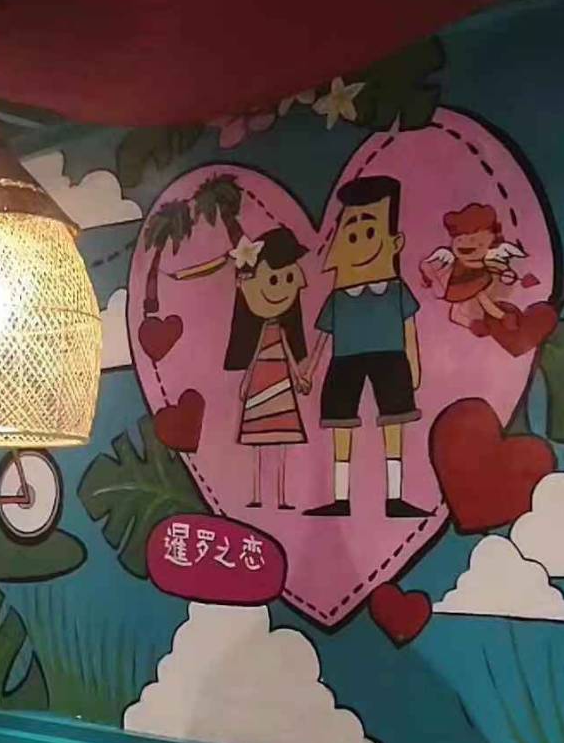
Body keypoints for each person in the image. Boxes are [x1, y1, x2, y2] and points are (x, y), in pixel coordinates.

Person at [304, 176, 429, 518]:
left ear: (395, 242)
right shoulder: (339, 297)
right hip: (344, 360)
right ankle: (340, 498)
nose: (358, 244)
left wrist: (414, 364)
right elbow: (322, 338)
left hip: (391, 357)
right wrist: (309, 370)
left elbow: (409, 328)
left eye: (370, 232)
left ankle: (395, 497)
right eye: (351, 235)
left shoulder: (395, 291)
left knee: (394, 421)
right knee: (340, 423)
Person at [201, 226, 314, 508]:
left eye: (288, 278)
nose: (282, 287)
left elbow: (289, 353)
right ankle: (257, 495)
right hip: (261, 386)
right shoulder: (260, 330)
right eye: (273, 279)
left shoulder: (282, 329)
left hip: (282, 388)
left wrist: (299, 377)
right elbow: (253, 356)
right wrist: (246, 380)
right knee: (257, 444)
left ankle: (282, 496)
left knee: (282, 443)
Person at [421, 202, 534, 334]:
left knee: (476, 300)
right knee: (465, 301)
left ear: (491, 240)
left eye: (475, 240)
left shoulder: (486, 266)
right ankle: (494, 319)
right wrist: (430, 277)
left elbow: (485, 298)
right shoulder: (452, 262)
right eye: (459, 239)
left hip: (474, 281)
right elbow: (435, 268)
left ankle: (490, 320)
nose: (466, 243)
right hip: (453, 284)